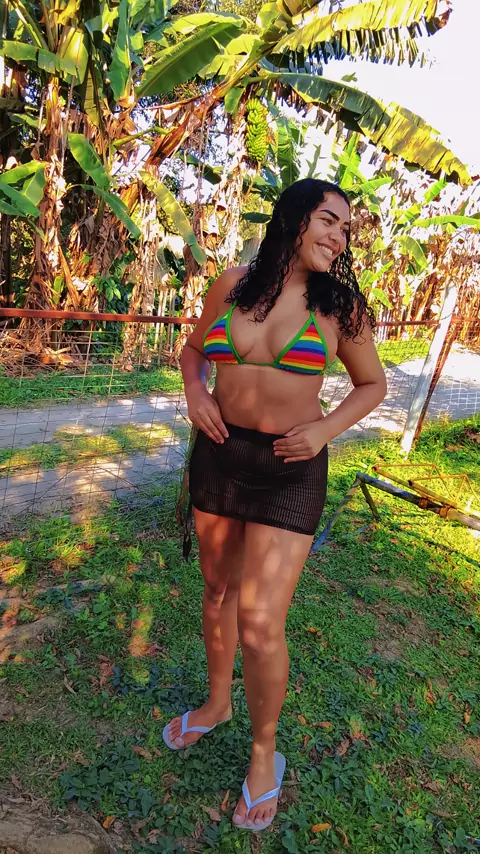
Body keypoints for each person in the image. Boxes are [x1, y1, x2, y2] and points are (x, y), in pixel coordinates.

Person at [163, 179, 387, 831]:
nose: (338, 237)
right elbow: (193, 353)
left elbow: (372, 384)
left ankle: (264, 754)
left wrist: (323, 430)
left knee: (261, 623)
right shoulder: (232, 285)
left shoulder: (339, 307)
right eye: (328, 220)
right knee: (216, 591)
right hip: (220, 455)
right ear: (292, 218)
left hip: (290, 470)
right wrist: (195, 392)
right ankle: (216, 705)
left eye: (344, 229)